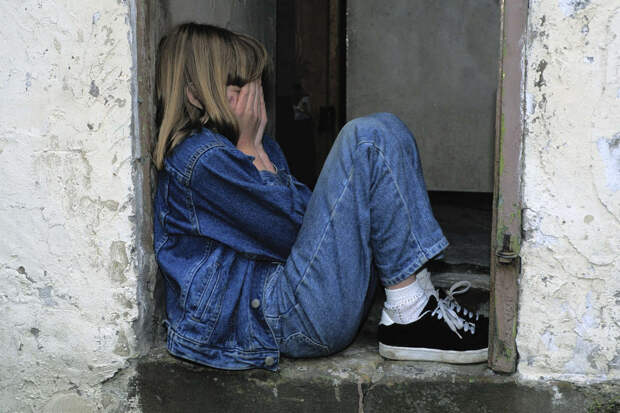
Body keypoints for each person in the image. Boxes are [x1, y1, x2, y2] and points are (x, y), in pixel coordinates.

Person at [153, 23, 488, 371]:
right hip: (277, 319)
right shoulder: (202, 160)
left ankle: (415, 300)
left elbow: (309, 229)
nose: (255, 102)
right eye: (239, 89)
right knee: (366, 139)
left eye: (255, 87)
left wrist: (259, 152)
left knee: (385, 128)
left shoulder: (247, 148)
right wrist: (253, 151)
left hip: (293, 300)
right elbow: (294, 231)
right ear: (195, 95)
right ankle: (409, 315)